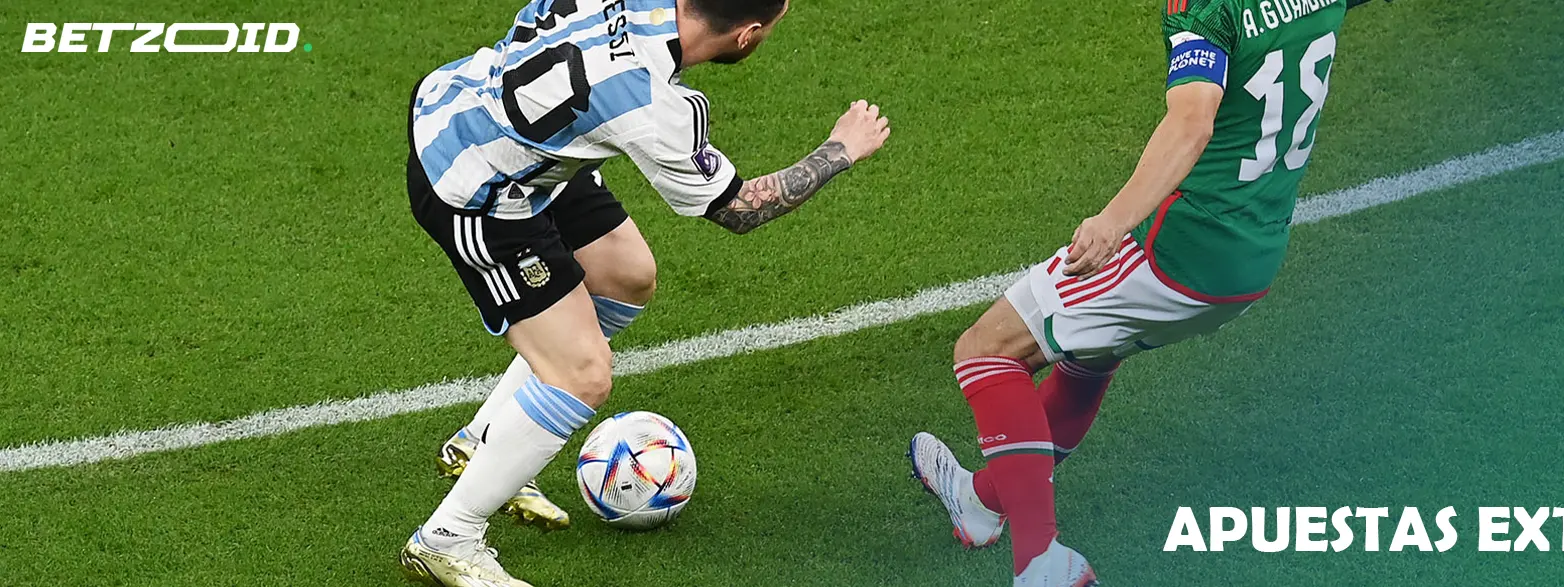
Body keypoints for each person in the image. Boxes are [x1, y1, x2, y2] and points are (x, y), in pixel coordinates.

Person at [401, 0, 891, 583]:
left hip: (490, 111)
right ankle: (447, 539)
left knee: (625, 274)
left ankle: (481, 443)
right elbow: (738, 209)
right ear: (747, 36)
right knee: (583, 374)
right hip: (475, 184)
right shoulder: (656, 104)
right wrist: (840, 150)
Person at [906, 0, 1349, 584]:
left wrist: (1114, 220)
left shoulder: (1206, 8)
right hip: (1253, 258)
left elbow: (1192, 122)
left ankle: (1041, 562)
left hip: (1179, 249)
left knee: (985, 350)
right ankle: (982, 501)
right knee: (1090, 353)